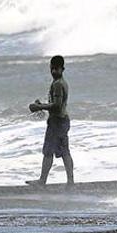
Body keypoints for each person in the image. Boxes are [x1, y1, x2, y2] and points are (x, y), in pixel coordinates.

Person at [27, 55, 74, 186]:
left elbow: (57, 105)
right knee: (64, 151)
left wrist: (39, 107)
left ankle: (42, 181)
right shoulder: (60, 83)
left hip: (57, 123)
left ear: (62, 69)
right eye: (52, 69)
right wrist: (42, 104)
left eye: (56, 69)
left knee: (48, 152)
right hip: (62, 121)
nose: (53, 71)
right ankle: (70, 181)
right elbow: (55, 103)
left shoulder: (58, 84)